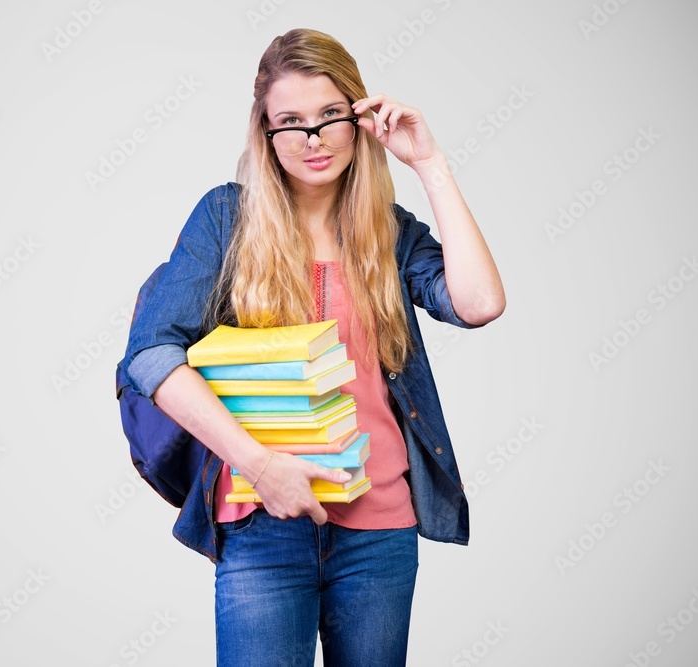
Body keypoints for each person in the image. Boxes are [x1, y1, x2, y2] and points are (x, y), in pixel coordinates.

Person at [120, 28, 505, 666]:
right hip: (261, 519)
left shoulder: (390, 232)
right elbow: (151, 356)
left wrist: (429, 164)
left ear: (360, 118)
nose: (313, 138)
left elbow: (480, 303)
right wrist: (262, 467)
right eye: (290, 122)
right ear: (266, 134)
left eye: (330, 116)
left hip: (379, 526)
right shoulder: (226, 220)